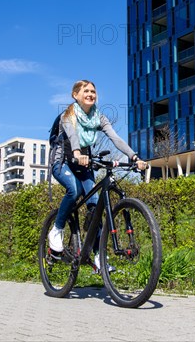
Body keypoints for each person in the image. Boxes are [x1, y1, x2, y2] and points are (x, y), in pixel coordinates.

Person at [48, 80, 147, 272]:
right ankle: (57, 230)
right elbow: (73, 136)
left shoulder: (99, 118)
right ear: (75, 95)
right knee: (74, 189)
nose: (91, 94)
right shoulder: (68, 115)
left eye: (93, 91)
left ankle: (98, 257)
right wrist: (77, 153)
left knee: (95, 207)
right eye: (86, 91)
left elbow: (115, 138)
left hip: (84, 162)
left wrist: (134, 157)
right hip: (62, 162)